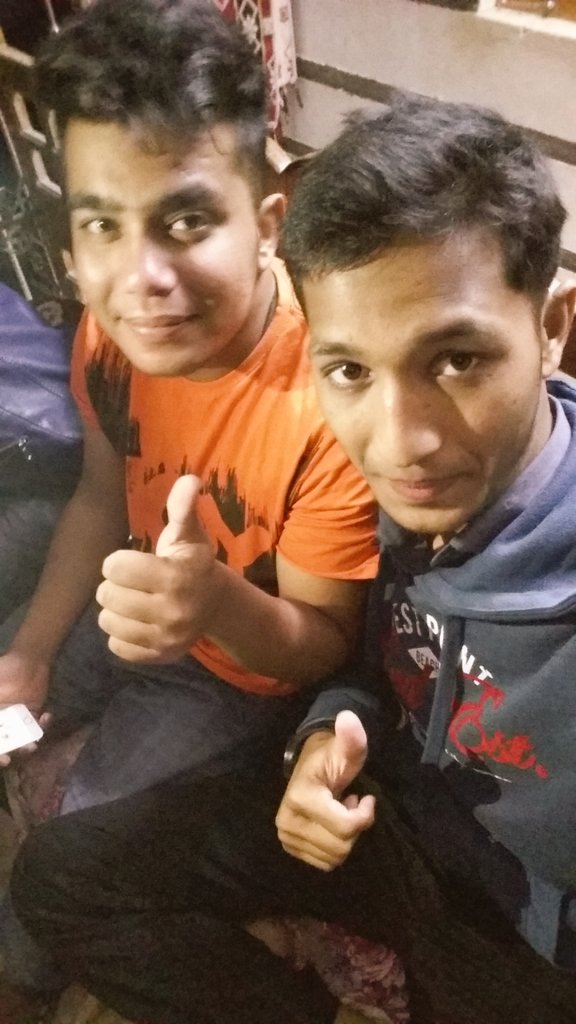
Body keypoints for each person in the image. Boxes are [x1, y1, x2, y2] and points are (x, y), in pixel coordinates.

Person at [9, 96, 576, 1024]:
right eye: (350, 371)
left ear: (552, 326)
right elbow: (368, 657)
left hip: (516, 939)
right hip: (380, 830)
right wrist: (321, 739)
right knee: (62, 875)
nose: (400, 441)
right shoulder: (418, 492)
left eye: (456, 360)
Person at [0, 0, 378, 813]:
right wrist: (30, 653)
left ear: (268, 226)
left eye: (186, 221)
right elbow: (101, 495)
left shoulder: (332, 398)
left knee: (75, 836)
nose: (143, 279)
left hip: (242, 668)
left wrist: (211, 602)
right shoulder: (114, 333)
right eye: (104, 225)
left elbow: (322, 644)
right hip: (133, 593)